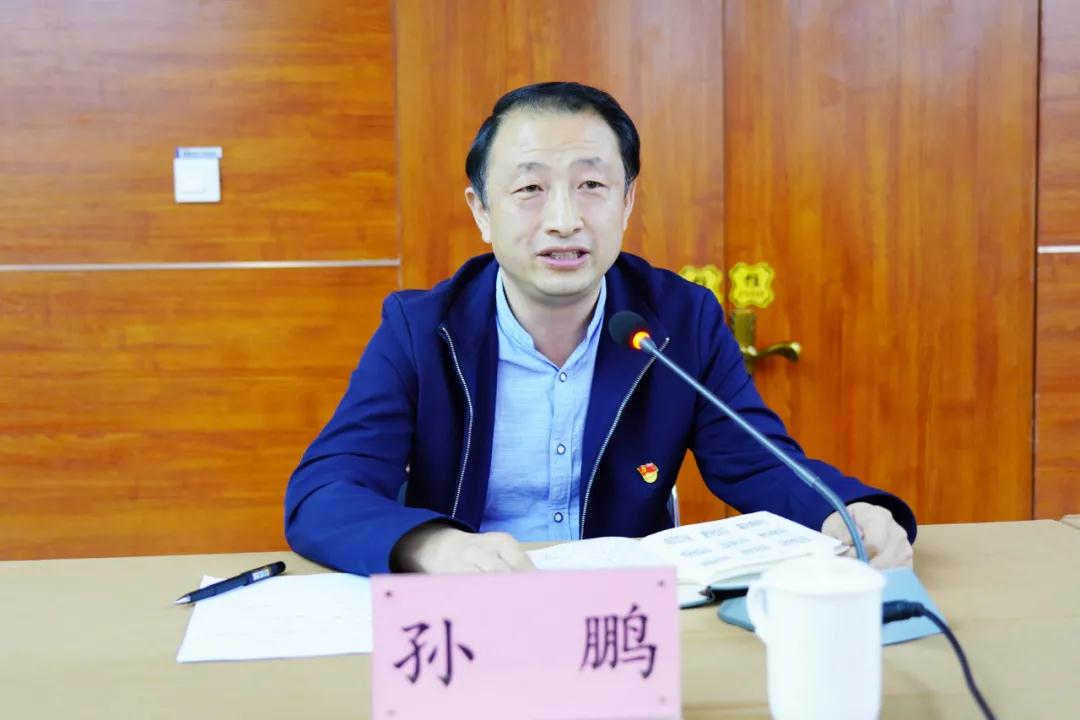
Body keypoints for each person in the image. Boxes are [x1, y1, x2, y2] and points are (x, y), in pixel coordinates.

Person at [284, 81, 916, 576]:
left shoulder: (681, 321)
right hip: (472, 610)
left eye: (591, 185)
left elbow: (760, 464)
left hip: (623, 620)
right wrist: (432, 546)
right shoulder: (421, 330)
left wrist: (849, 512)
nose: (564, 219)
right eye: (530, 188)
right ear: (482, 211)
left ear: (626, 201)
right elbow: (323, 493)